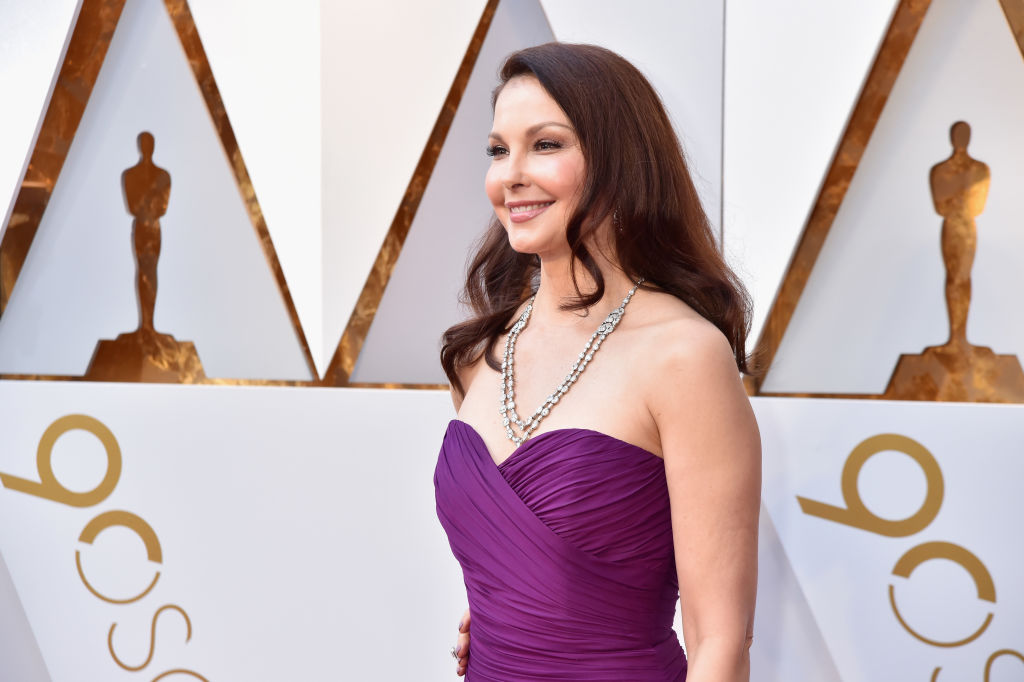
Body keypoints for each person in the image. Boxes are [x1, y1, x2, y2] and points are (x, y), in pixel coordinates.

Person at [434, 42, 761, 681]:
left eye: (546, 145)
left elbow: (719, 642)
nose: (511, 175)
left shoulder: (684, 355)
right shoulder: (479, 356)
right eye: (499, 150)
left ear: (619, 160)